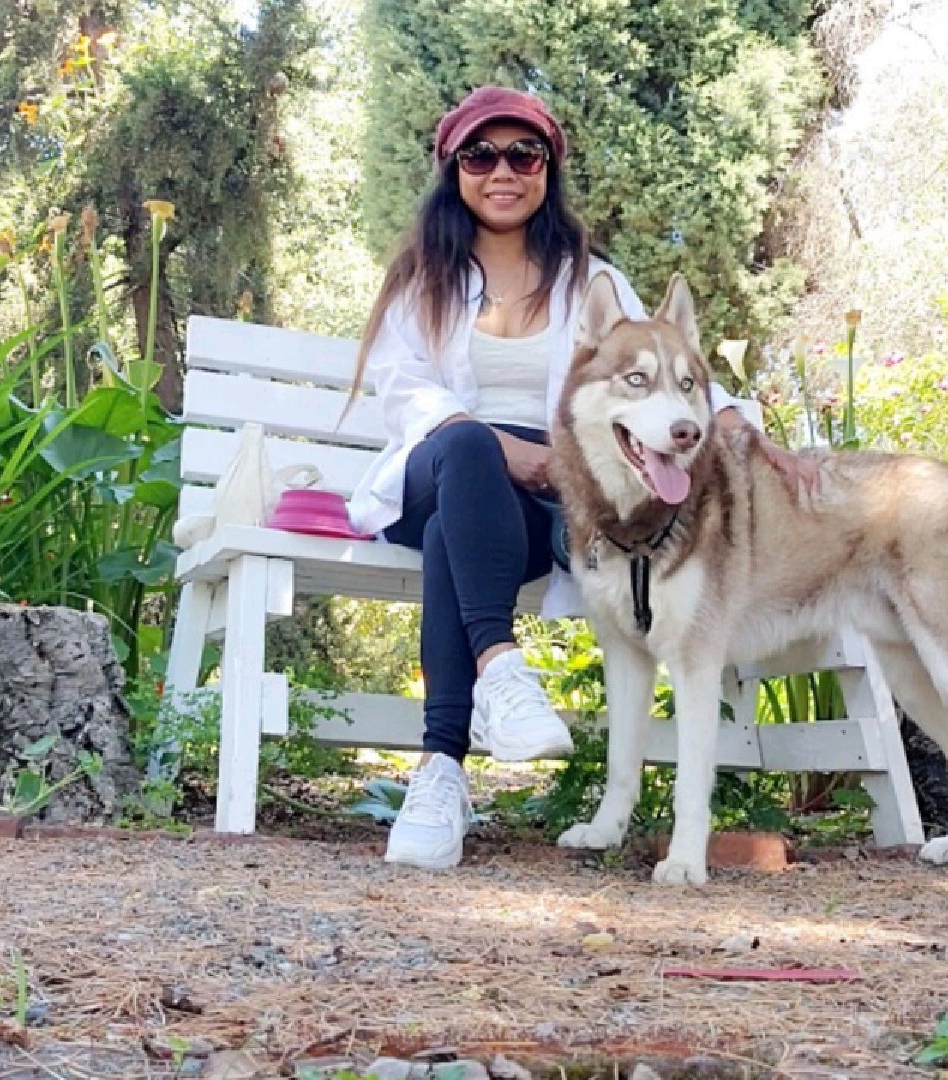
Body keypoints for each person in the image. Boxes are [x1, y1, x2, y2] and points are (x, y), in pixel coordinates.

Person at [347, 85, 810, 871]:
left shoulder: (591, 280)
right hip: (442, 465)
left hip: (547, 503)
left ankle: (441, 771)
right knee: (465, 455)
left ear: (547, 171)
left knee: (454, 540)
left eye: (523, 155)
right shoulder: (422, 280)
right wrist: (504, 447)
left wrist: (733, 420)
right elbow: (405, 392)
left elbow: (656, 359)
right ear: (453, 170)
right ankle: (501, 668)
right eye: (480, 155)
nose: (503, 171)